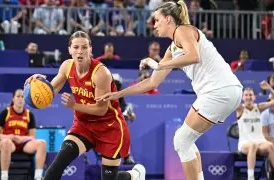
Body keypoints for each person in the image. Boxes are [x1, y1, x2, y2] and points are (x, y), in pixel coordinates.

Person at [95, 1, 243, 180]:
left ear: (168, 19)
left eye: (156, 20)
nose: (154, 25)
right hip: (226, 92)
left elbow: (193, 56)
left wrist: (159, 64)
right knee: (186, 140)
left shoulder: (183, 30)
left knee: (181, 140)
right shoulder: (171, 49)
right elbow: (151, 83)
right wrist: (117, 94)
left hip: (219, 90)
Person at [25, 31, 146, 180]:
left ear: (90, 49)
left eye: (84, 47)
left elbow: (101, 110)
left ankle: (133, 175)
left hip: (109, 127)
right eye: (76, 47)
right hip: (83, 125)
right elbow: (49, 93)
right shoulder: (66, 67)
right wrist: (37, 85)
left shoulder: (101, 73)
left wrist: (74, 105)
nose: (80, 51)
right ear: (69, 49)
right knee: (58, 164)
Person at [0, 89, 47, 180]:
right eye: (18, 96)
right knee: (6, 142)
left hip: (23, 143)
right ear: (13, 99)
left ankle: (38, 176)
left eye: (23, 97)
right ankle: (4, 176)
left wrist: (22, 139)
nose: (20, 99)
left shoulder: (29, 114)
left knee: (42, 143)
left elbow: (32, 136)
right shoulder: (6, 112)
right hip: (9, 143)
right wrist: (9, 137)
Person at [236, 88, 274, 180]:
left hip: (260, 141)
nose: (248, 97)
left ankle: (272, 175)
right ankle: (250, 177)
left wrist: (269, 88)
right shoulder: (240, 108)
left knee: (270, 145)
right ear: (242, 97)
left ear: (254, 97)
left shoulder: (259, 107)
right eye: (246, 95)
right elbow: (230, 102)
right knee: (252, 145)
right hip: (245, 142)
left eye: (250, 95)